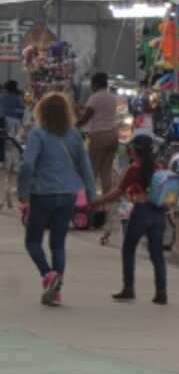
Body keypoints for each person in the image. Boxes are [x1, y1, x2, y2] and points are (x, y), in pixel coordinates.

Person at [18, 92, 97, 307]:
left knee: (33, 241)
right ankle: (56, 292)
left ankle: (47, 274)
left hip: (43, 194)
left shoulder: (37, 134)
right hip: (68, 195)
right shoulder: (74, 135)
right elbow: (85, 167)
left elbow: (27, 165)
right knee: (58, 244)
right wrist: (91, 195)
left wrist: (23, 190)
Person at [91, 135, 168, 304]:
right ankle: (161, 291)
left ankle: (128, 288)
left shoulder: (134, 168)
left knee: (129, 248)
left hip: (141, 211)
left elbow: (118, 192)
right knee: (157, 254)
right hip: (158, 212)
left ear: (135, 150)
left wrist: (98, 201)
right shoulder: (159, 167)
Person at [77, 73, 120, 243]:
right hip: (113, 135)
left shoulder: (94, 98)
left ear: (95, 84)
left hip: (99, 135)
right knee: (106, 173)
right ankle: (107, 207)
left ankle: (90, 207)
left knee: (91, 172)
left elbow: (87, 116)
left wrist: (75, 125)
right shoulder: (112, 97)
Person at [0, 80, 25, 207]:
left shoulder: (2, 98)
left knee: (4, 168)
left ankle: (3, 197)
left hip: (4, 134)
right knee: (13, 168)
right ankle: (8, 192)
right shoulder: (20, 101)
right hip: (16, 134)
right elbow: (22, 118)